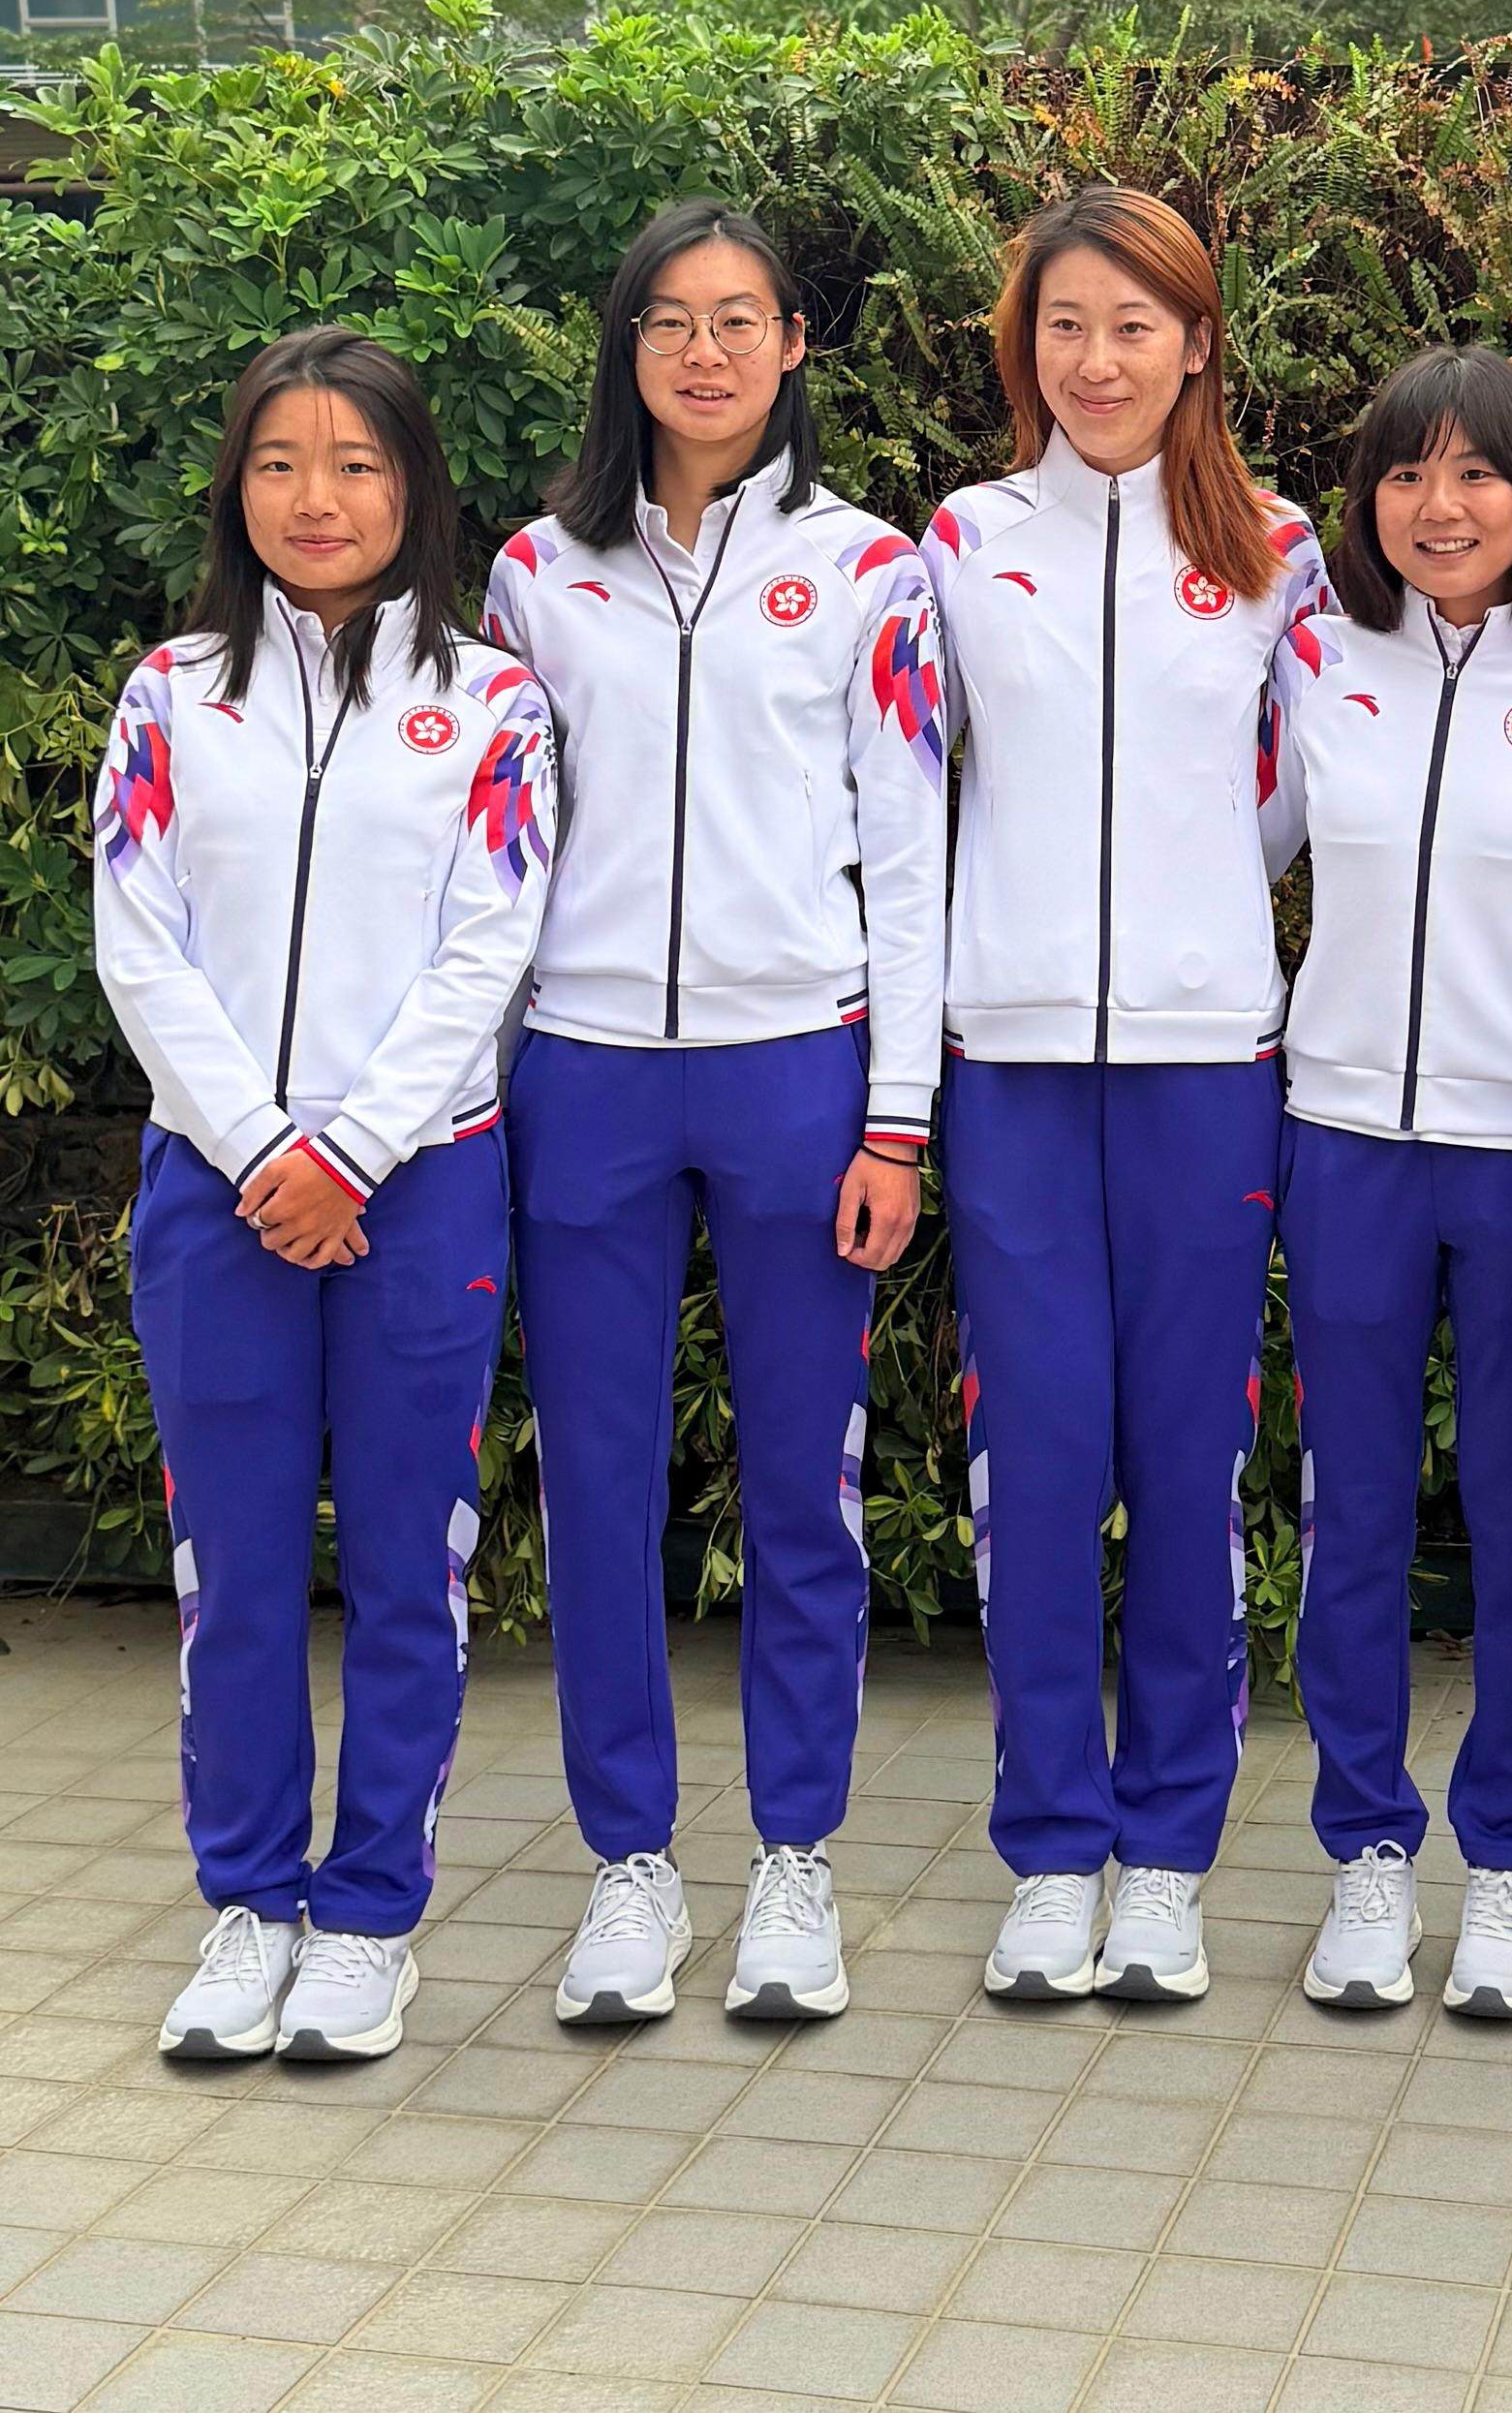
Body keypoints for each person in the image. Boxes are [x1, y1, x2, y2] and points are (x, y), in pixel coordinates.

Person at [483, 197, 945, 2027]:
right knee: (596, 1484)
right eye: (670, 318)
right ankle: (626, 1869)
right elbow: (495, 857)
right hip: (582, 1071)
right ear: (629, 345)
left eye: (738, 317)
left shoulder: (868, 569)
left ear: (791, 347)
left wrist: (894, 1116)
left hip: (793, 1068)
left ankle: (794, 1866)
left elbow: (907, 853)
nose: (704, 349)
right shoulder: (535, 572)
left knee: (800, 1484)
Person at [96, 326, 554, 2063]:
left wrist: (351, 1148)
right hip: (217, 1195)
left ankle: (368, 1913)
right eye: (281, 461)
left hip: (417, 1186)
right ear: (238, 488)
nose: (317, 496)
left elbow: (490, 937)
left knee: (406, 1570)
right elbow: (136, 938)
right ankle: (248, 1902)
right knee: (229, 1564)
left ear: (416, 489)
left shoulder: (492, 698)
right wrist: (257, 1148)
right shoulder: (170, 692)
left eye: (356, 463)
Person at [921, 184, 1330, 2004]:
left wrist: (1186, 936)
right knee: (1034, 1460)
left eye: (1135, 326)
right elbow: (924, 792)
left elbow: (1287, 799)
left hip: (1201, 1068)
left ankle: (1165, 1850)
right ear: (1028, 346)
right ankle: (1047, 1842)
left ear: (1197, 343)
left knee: (1187, 1459)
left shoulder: (1278, 550)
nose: (1098, 360)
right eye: (1065, 325)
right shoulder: (955, 536)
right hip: (1006, 1065)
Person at [1256, 348, 1512, 2019]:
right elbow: (1231, 848)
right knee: (1355, 1512)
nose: (1440, 506)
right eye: (1405, 473)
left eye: (1476, 473)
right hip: (1341, 1139)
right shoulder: (1317, 660)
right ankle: (1366, 1856)